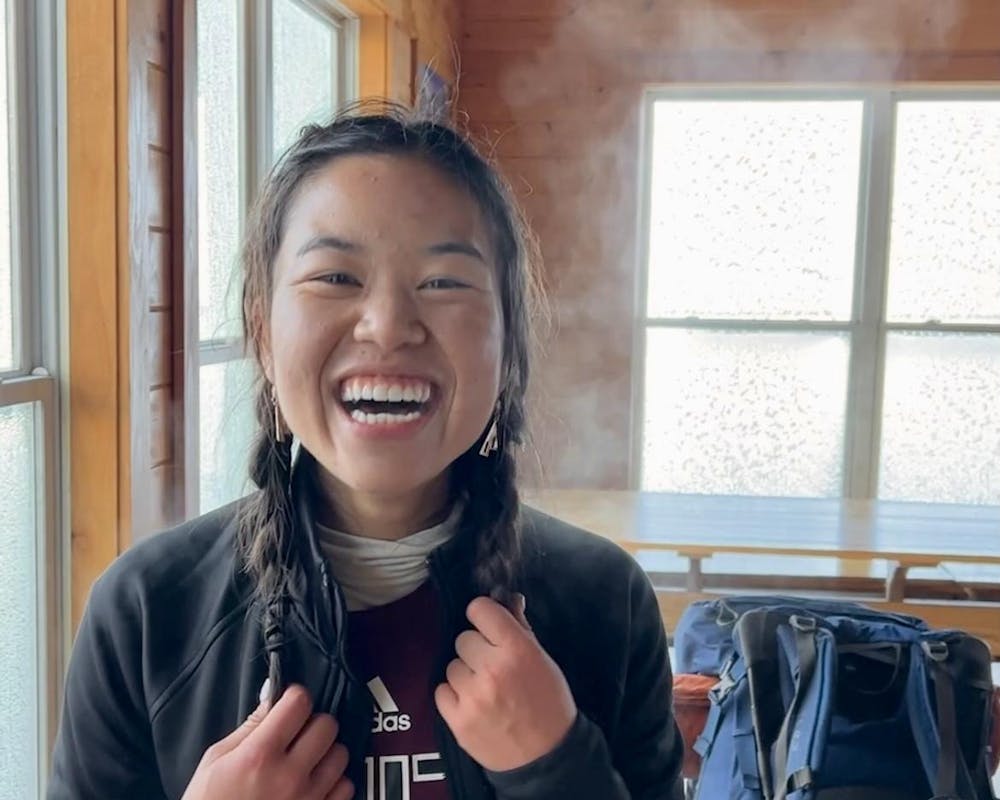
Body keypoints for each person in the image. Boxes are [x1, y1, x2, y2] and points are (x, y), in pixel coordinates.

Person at [48, 103, 684, 800]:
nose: (387, 326)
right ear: (263, 331)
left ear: (508, 343)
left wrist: (558, 767)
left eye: (444, 283)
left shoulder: (605, 601)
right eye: (335, 278)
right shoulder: (146, 612)